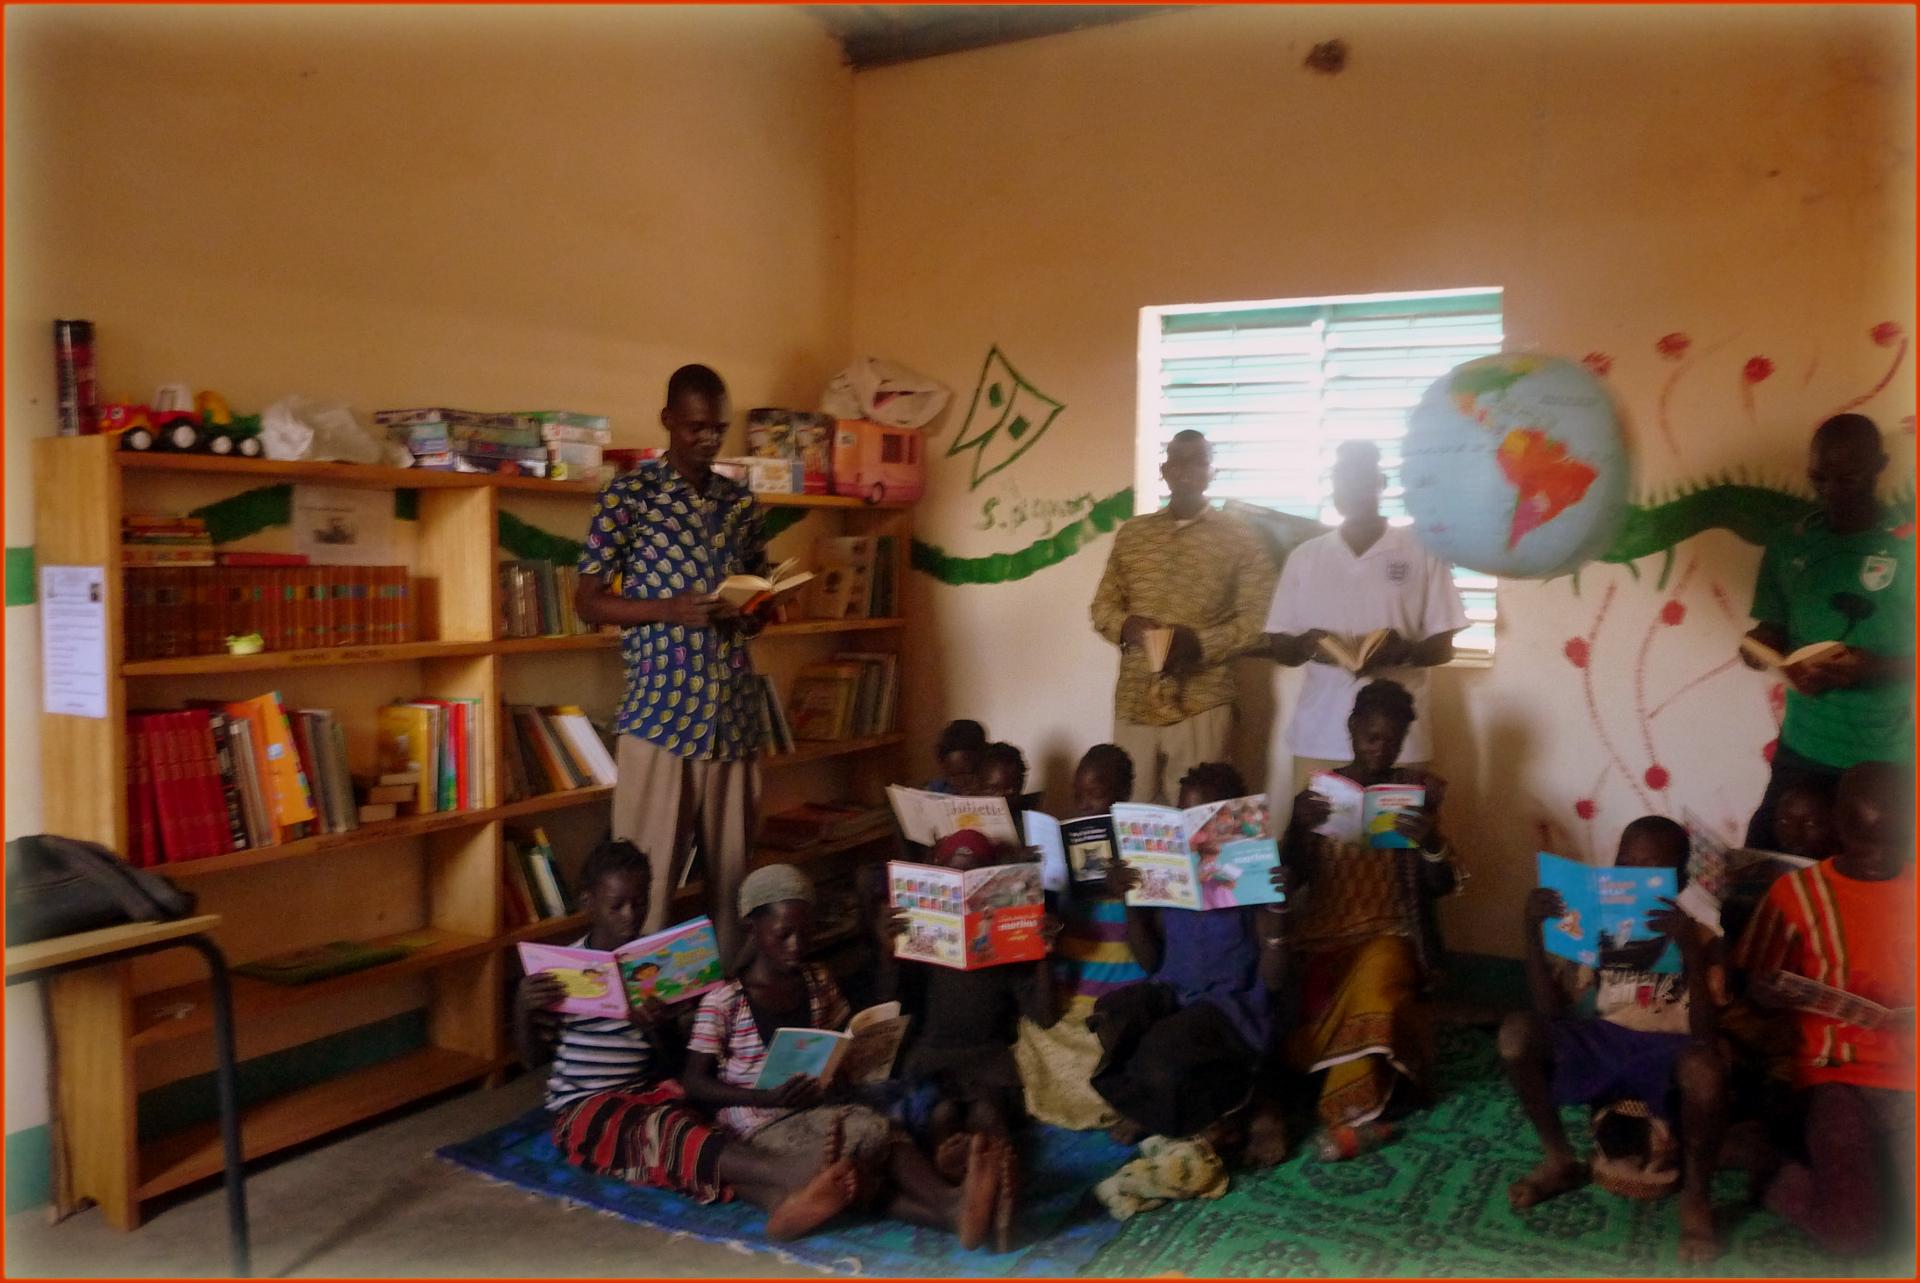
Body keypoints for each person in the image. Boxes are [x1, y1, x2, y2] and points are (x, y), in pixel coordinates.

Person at [512, 840, 858, 1241]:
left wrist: (658, 1029)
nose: (631, 916)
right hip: (585, 1105)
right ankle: (792, 1171)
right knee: (667, 1132)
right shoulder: (564, 970)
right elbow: (531, 1059)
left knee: (696, 1134)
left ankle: (781, 1204)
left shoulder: (657, 964)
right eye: (617, 905)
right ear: (589, 902)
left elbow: (673, 1062)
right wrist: (523, 1008)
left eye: (640, 903)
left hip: (651, 1091)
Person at [680, 864, 1006, 1249]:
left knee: (873, 1138)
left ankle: (958, 1210)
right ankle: (952, 1208)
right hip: (758, 1121)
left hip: (816, 1108)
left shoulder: (816, 980)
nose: (796, 945)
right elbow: (694, 1083)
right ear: (752, 928)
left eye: (805, 932)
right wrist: (765, 1097)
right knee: (869, 1138)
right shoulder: (725, 1000)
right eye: (783, 934)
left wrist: (844, 1065)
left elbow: (842, 1038)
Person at [574, 364, 769, 960]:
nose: (709, 440)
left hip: (732, 716)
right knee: (643, 889)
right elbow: (586, 601)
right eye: (696, 427)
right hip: (660, 716)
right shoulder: (629, 495)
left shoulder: (740, 503)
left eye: (718, 428)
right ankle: (642, 1025)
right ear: (667, 422)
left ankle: (727, 1020)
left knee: (735, 888)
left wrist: (754, 609)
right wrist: (668, 609)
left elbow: (760, 596)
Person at [1497, 817, 1727, 1262]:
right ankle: (1559, 1159)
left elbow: (1705, 1035)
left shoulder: (1702, 932)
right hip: (1603, 1038)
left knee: (1707, 1070)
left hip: (1669, 1048)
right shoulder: (1601, 923)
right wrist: (1531, 930)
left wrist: (1689, 951)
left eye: (1652, 869)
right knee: (1516, 1035)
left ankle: (1696, 1198)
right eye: (1626, 863)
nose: (1635, 877)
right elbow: (1551, 1015)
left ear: (1677, 879)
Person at [1734, 762, 1915, 1259]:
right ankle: (1776, 1171)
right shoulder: (1795, 895)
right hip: (1834, 1076)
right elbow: (1752, 987)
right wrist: (1766, 993)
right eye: (1865, 841)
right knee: (1855, 1234)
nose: (1879, 860)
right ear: (1839, 824)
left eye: (1892, 843)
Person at [1281, 680, 1461, 1141]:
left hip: (1392, 932)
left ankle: (1347, 1112)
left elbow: (1441, 885)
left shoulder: (1418, 793)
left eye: (1393, 741)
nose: (1381, 749)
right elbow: (1290, 876)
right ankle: (1360, 1106)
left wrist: (1431, 844)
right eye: (1372, 737)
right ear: (1352, 728)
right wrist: (1297, 830)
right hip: (1323, 933)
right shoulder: (1320, 794)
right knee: (1294, 994)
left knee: (1380, 971)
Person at [1094, 763, 1290, 1157]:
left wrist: (1277, 919)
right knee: (1114, 1014)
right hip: (1175, 992)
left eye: (1205, 818)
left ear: (1233, 817)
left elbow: (1274, 981)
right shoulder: (1170, 873)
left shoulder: (1255, 874)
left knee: (1160, 1052)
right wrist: (1131, 899)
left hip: (1231, 1008)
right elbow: (1151, 965)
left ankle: (1243, 1102)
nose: (1193, 832)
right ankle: (1203, 1112)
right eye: (1183, 818)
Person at [1740, 414, 1913, 848]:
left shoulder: (1908, 543)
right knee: (1757, 880)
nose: (1831, 491)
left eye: (1848, 477)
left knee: (1869, 888)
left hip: (1885, 758)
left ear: (1880, 466)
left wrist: (1876, 668)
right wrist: (1760, 648)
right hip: (1802, 748)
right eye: (1820, 478)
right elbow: (1772, 628)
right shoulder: (1790, 544)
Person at [1264, 440, 1468, 791]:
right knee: (1319, 844)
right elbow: (1280, 645)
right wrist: (1306, 644)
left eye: (1361, 477)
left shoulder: (1421, 550)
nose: (1351, 487)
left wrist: (1404, 652)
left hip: (1400, 741)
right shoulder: (1305, 556)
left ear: (1381, 483)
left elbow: (1443, 646)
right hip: (1319, 737)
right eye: (1342, 478)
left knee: (1397, 843)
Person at [1090, 430, 1277, 803]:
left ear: (1212, 471)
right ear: (1165, 470)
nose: (1188, 470)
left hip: (1201, 700)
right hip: (1135, 697)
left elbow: (1261, 622)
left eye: (1199, 461)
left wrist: (1198, 644)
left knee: (1198, 818)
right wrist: (1127, 625)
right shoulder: (1133, 534)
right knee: (1131, 815)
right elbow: (1102, 607)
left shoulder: (1242, 538)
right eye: (1179, 461)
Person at [871, 830, 1061, 1177]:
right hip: (931, 1055)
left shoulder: (1008, 944)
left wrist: (1043, 955)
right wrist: (888, 953)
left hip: (987, 1056)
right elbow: (887, 1012)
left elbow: (1044, 1016)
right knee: (940, 1114)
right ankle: (961, 1176)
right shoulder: (914, 937)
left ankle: (998, 1176)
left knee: (988, 1113)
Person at [1013, 745, 1151, 1130]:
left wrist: (1129, 898)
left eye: (1097, 795)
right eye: (1078, 795)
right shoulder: (1062, 852)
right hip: (1072, 1002)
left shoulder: (1139, 857)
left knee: (1120, 1049)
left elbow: (1151, 960)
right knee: (1036, 1042)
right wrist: (1028, 877)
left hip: (1118, 1005)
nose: (1084, 805)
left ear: (1123, 795)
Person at [926, 720, 988, 795]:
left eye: (969, 775)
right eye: (954, 777)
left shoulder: (991, 791)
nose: (962, 783)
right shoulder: (936, 790)